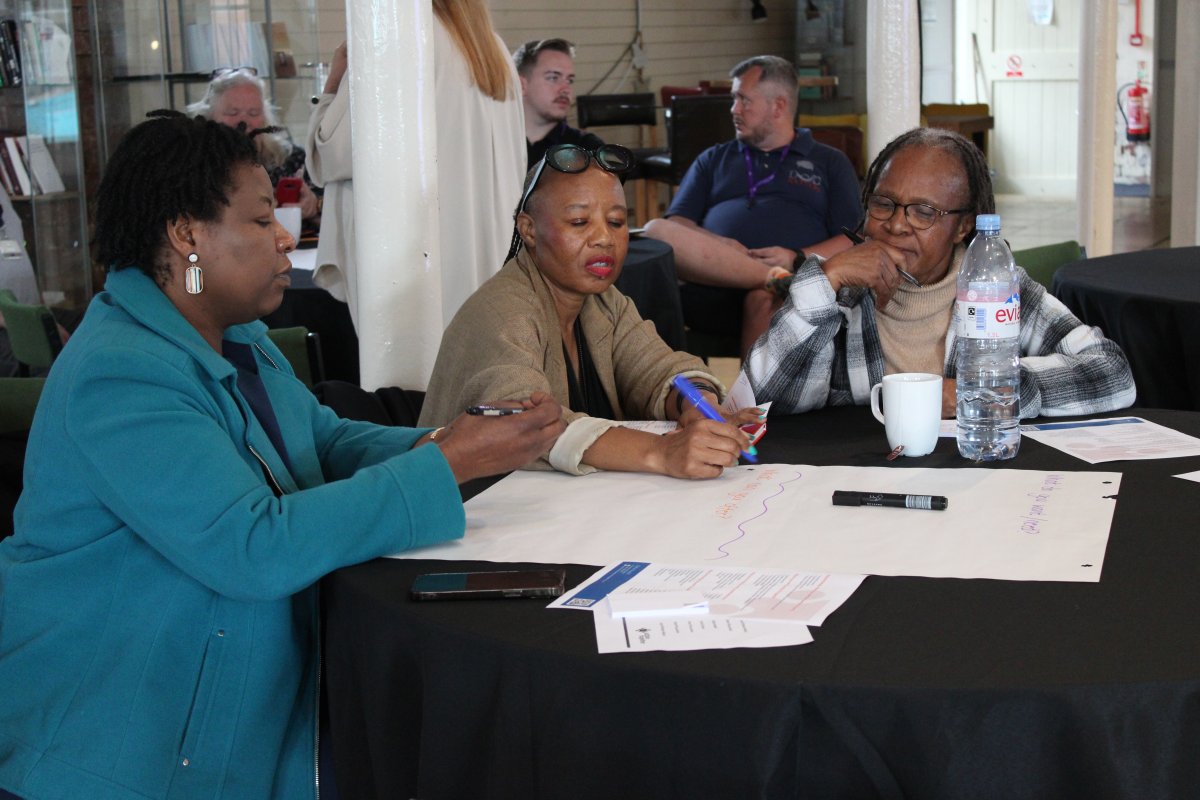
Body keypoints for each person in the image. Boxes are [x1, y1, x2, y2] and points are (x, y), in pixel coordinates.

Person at [0, 112, 563, 800]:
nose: (283, 239)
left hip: (220, 714)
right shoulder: (121, 375)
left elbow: (322, 444)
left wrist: (449, 441)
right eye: (262, 220)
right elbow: (251, 544)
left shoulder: (234, 338)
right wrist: (450, 465)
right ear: (187, 235)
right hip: (119, 745)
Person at [744, 127, 1137, 418]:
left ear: (963, 227)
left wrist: (983, 391)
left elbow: (1110, 372)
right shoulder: (840, 291)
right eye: (884, 204)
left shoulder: (995, 287)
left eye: (924, 212)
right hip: (860, 480)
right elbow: (760, 401)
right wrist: (824, 282)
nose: (897, 225)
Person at [420, 143, 761, 478]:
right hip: (478, 513)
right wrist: (661, 452)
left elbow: (657, 367)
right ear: (529, 230)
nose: (604, 238)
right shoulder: (503, 312)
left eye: (616, 222)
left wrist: (699, 406)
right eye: (580, 222)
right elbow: (523, 426)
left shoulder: (603, 301)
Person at [308, 1, 525, 329]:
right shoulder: (492, 48)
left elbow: (332, 156)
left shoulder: (396, 38)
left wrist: (334, 80)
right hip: (489, 264)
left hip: (418, 272)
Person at [643, 55, 862, 355]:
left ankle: (752, 401)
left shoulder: (829, 162)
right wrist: (723, 246)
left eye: (744, 100)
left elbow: (853, 239)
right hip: (713, 283)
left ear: (779, 106)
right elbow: (678, 224)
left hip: (790, 290)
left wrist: (795, 257)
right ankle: (770, 278)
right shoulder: (714, 158)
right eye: (734, 100)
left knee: (762, 297)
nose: (734, 109)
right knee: (655, 229)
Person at [187, 66, 322, 230]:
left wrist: (314, 207)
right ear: (208, 117)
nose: (244, 122)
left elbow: (337, 222)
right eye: (232, 112)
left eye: (253, 113)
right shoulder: (191, 165)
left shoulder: (292, 159)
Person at [513, 38, 603, 168]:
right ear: (521, 85)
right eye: (553, 78)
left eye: (569, 80)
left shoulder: (588, 151)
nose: (566, 89)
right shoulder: (492, 144)